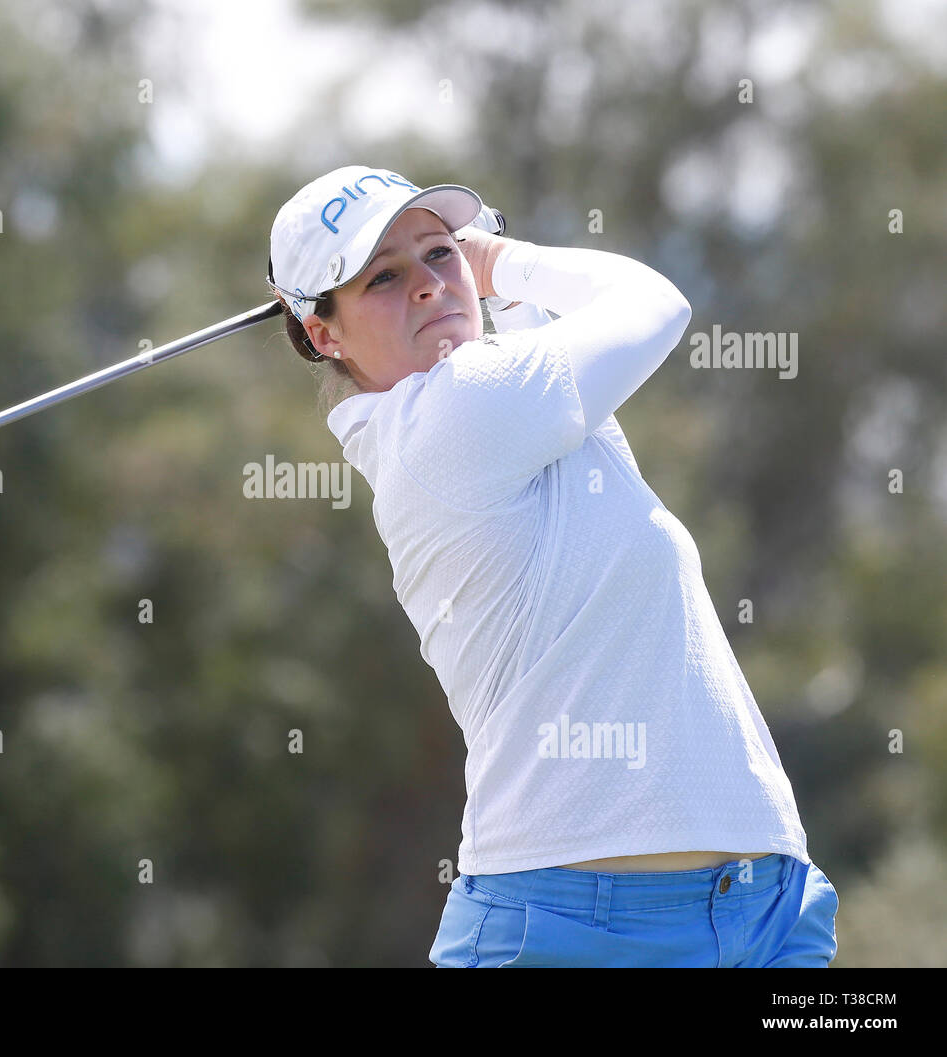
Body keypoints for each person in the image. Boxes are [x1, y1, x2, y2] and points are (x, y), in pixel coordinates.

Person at [266, 165, 840, 967]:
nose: (430, 285)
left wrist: (486, 281)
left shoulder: (513, 399)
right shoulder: (454, 413)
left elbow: (546, 332)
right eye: (384, 278)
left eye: (438, 254)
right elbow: (654, 304)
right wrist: (502, 259)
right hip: (567, 927)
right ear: (323, 333)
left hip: (763, 908)